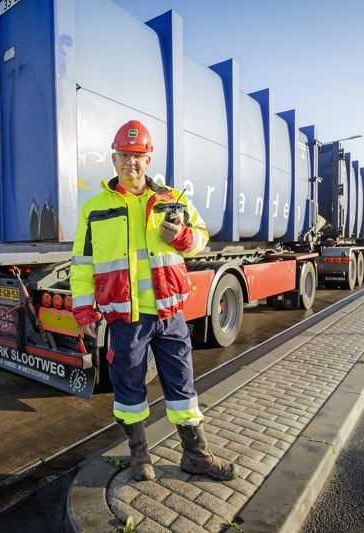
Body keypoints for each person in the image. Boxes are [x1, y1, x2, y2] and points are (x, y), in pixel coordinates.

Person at [70, 120, 236, 482]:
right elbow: (82, 265)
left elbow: (203, 238)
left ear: (149, 159)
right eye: (125, 156)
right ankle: (139, 456)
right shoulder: (94, 209)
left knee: (182, 385)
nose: (132, 163)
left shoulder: (171, 199)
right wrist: (83, 309)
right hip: (126, 319)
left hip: (170, 314)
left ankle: (196, 455)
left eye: (139, 156)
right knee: (129, 388)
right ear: (114, 159)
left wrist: (181, 237)